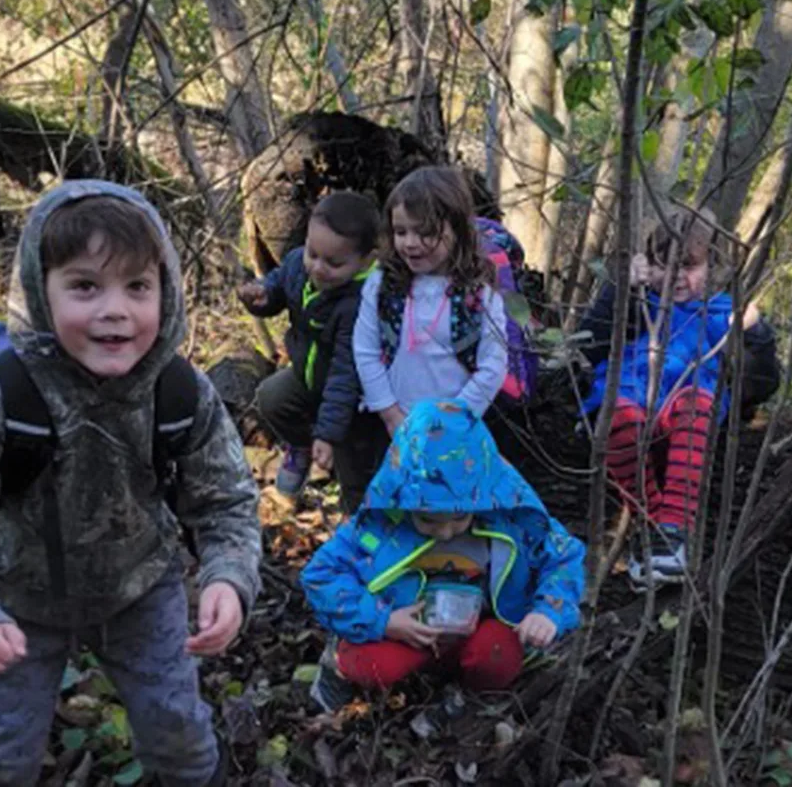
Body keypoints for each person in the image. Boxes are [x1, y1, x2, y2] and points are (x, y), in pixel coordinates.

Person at [0, 181, 262, 786]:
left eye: (137, 286)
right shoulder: (2, 395)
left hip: (142, 589)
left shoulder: (179, 393)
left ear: (166, 292)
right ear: (41, 290)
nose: (115, 310)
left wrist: (229, 576)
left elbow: (225, 502)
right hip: (19, 602)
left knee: (179, 737)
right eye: (85, 286)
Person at [300, 399, 585, 712]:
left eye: (459, 519)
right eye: (428, 521)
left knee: (498, 656)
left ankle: (466, 697)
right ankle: (338, 668)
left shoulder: (511, 519)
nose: (445, 532)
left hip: (478, 630)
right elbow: (320, 574)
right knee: (369, 664)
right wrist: (383, 620)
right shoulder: (382, 524)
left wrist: (548, 611)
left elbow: (562, 556)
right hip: (404, 631)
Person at [579, 205, 778, 589]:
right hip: (631, 399)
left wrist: (755, 334)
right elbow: (590, 344)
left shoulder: (720, 312)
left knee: (696, 405)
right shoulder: (636, 303)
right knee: (616, 416)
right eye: (663, 264)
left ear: (712, 266)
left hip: (685, 407)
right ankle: (651, 526)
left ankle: (674, 528)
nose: (675, 276)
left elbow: (763, 382)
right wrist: (621, 289)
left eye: (688, 266)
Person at [238, 191, 386, 511]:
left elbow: (347, 373)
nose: (318, 268)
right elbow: (280, 284)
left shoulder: (360, 304)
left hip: (353, 401)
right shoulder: (298, 263)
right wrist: (262, 296)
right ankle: (301, 449)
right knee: (272, 397)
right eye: (313, 253)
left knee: (353, 468)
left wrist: (329, 434)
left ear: (366, 260)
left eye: (334, 263)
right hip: (308, 376)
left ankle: (356, 519)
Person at [353, 167, 509, 437]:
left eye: (425, 232)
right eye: (401, 231)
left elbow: (493, 364)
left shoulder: (478, 293)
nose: (410, 243)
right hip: (391, 424)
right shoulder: (383, 284)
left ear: (457, 229)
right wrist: (390, 414)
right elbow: (365, 349)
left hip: (456, 429)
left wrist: (452, 421)